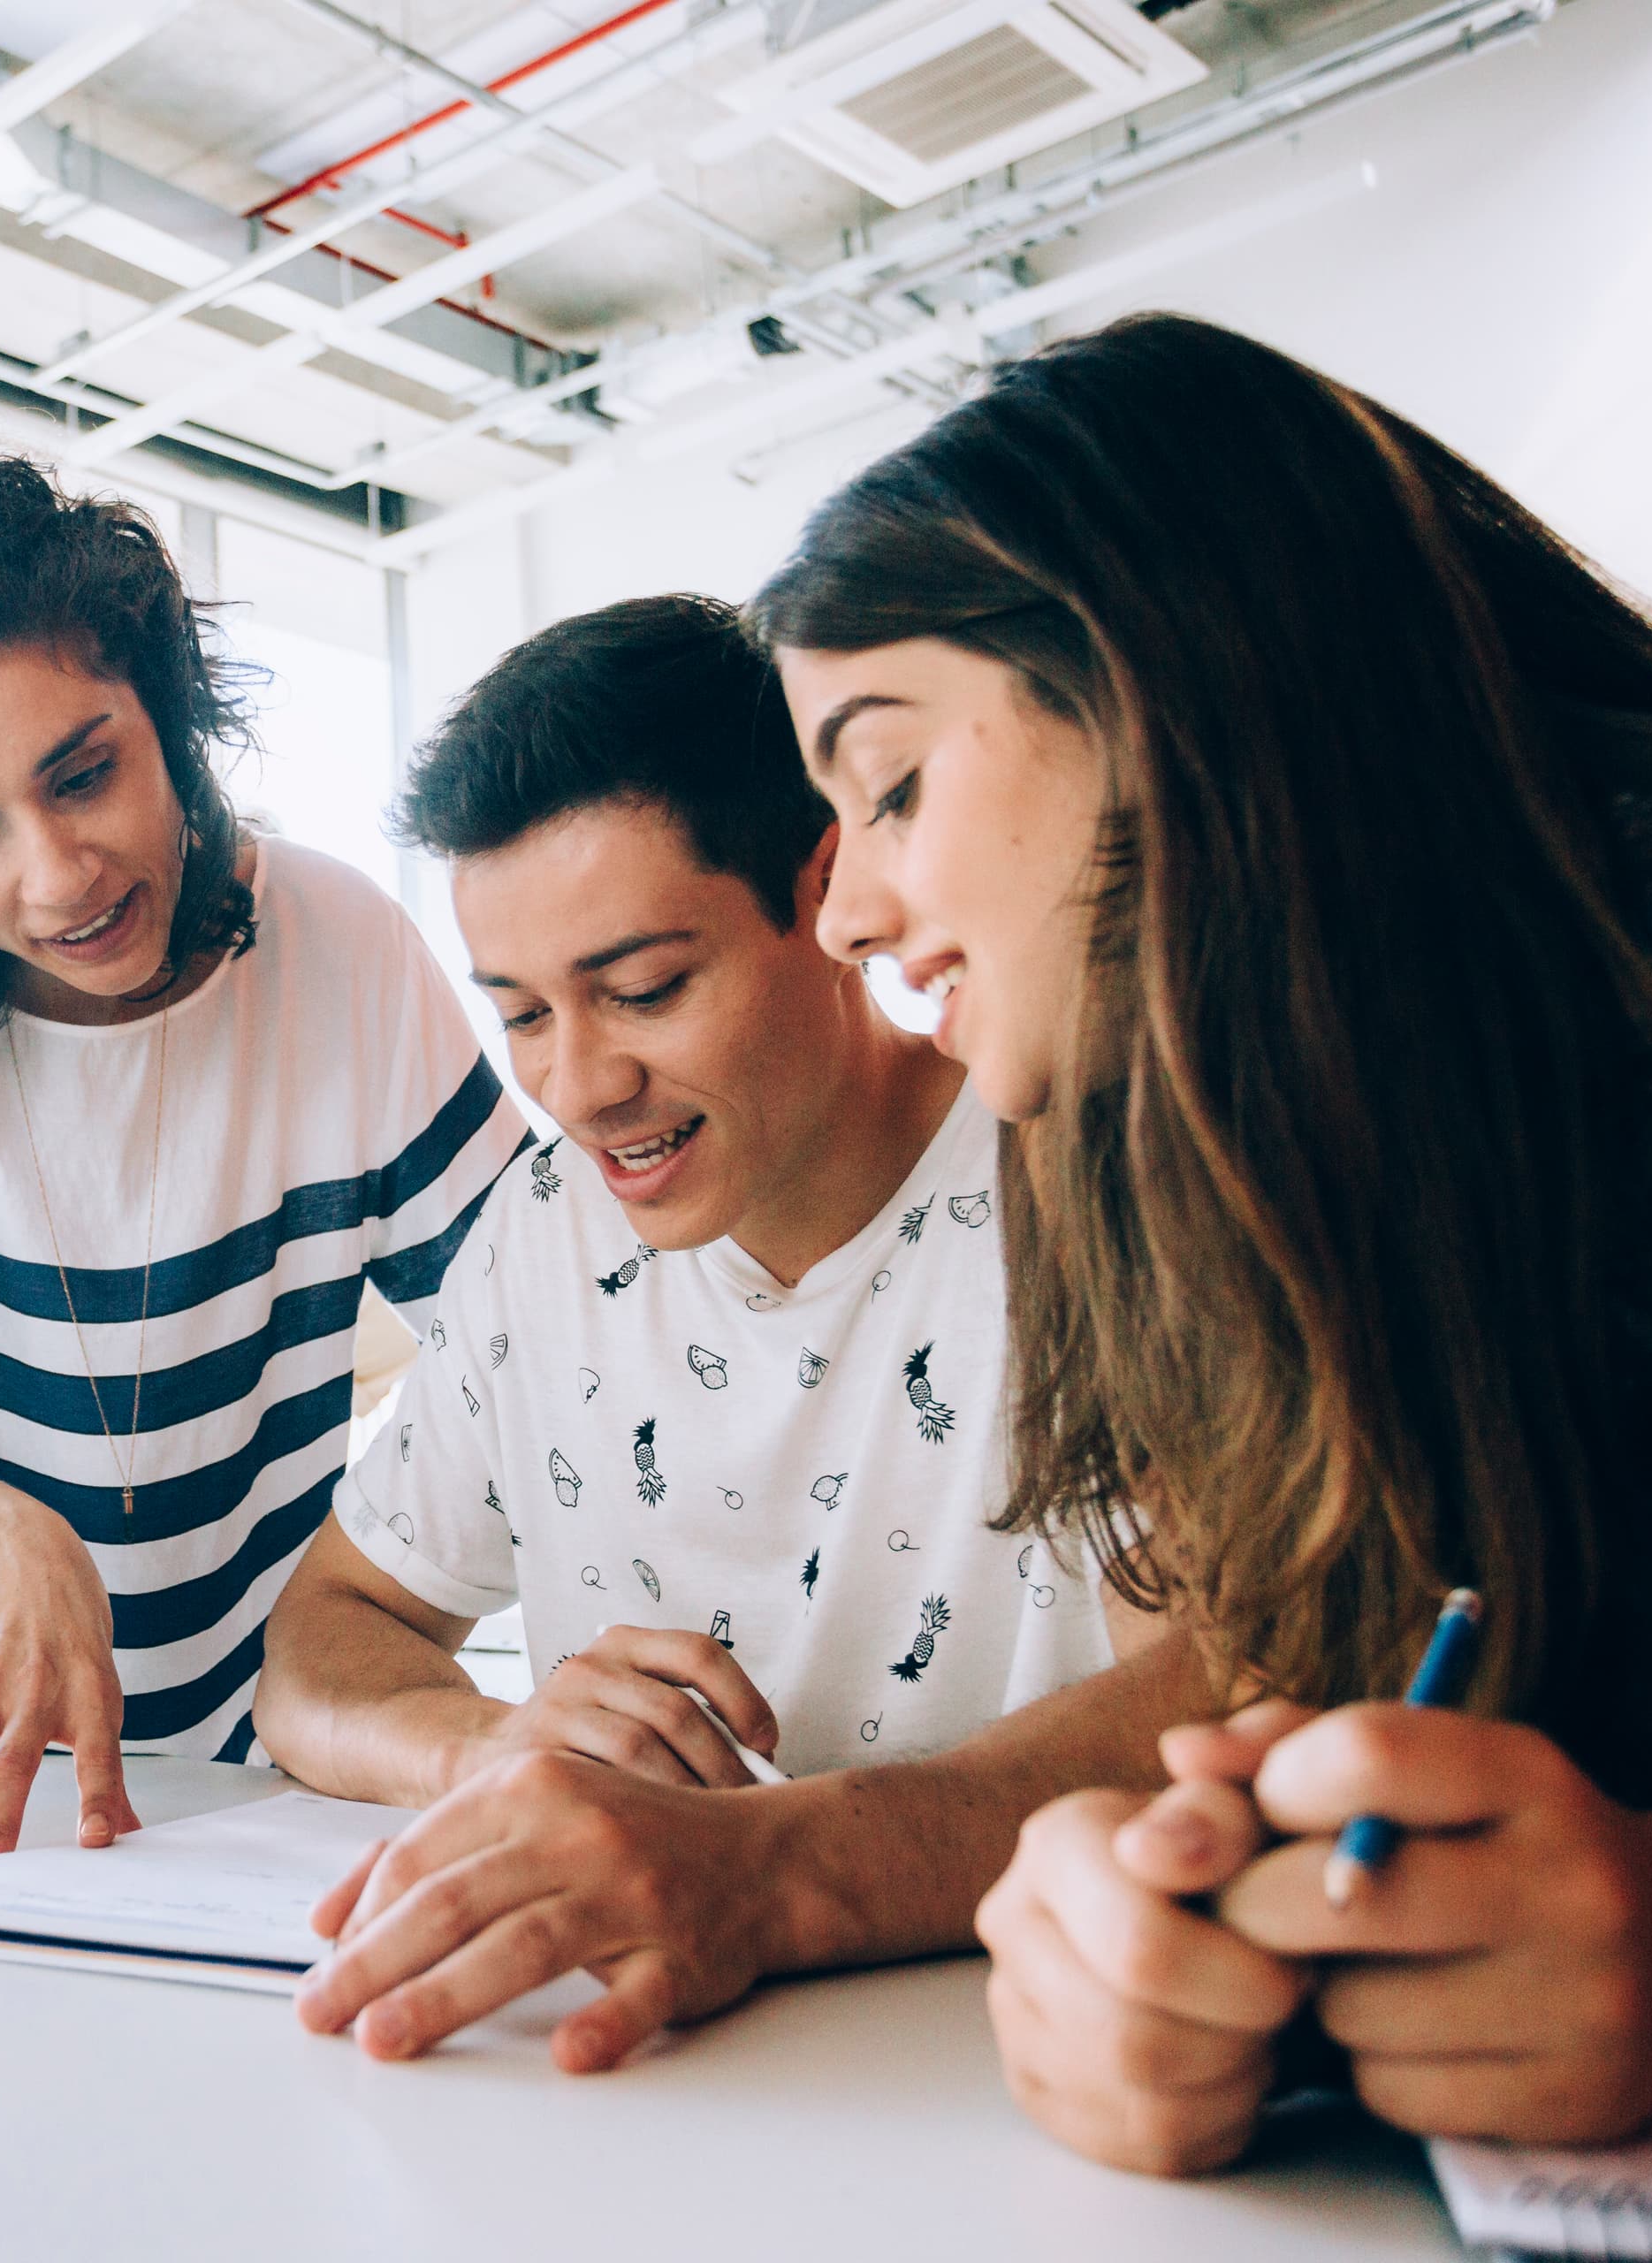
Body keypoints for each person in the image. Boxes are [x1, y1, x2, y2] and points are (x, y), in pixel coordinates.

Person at [749, 311, 1652, 2175]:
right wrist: (1177, 1929)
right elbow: (1277, 1699)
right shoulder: (1213, 1177)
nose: (850, 913)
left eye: (890, 781)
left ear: (1171, 680)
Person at [259, 594, 1200, 2071]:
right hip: (645, 2083)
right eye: (518, 1013)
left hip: (1019, 2066)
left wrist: (770, 1864)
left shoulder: (1085, 1175)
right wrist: (488, 1745)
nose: (579, 1086)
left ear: (828, 888)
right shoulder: (537, 1236)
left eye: (644, 991)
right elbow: (323, 1642)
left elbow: (1237, 1676)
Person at [0, 456, 524, 1861]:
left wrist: (386, 1604)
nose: (58, 874)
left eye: (85, 774)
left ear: (172, 716)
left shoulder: (341, 950)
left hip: (245, 1717)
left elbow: (543, 1336)